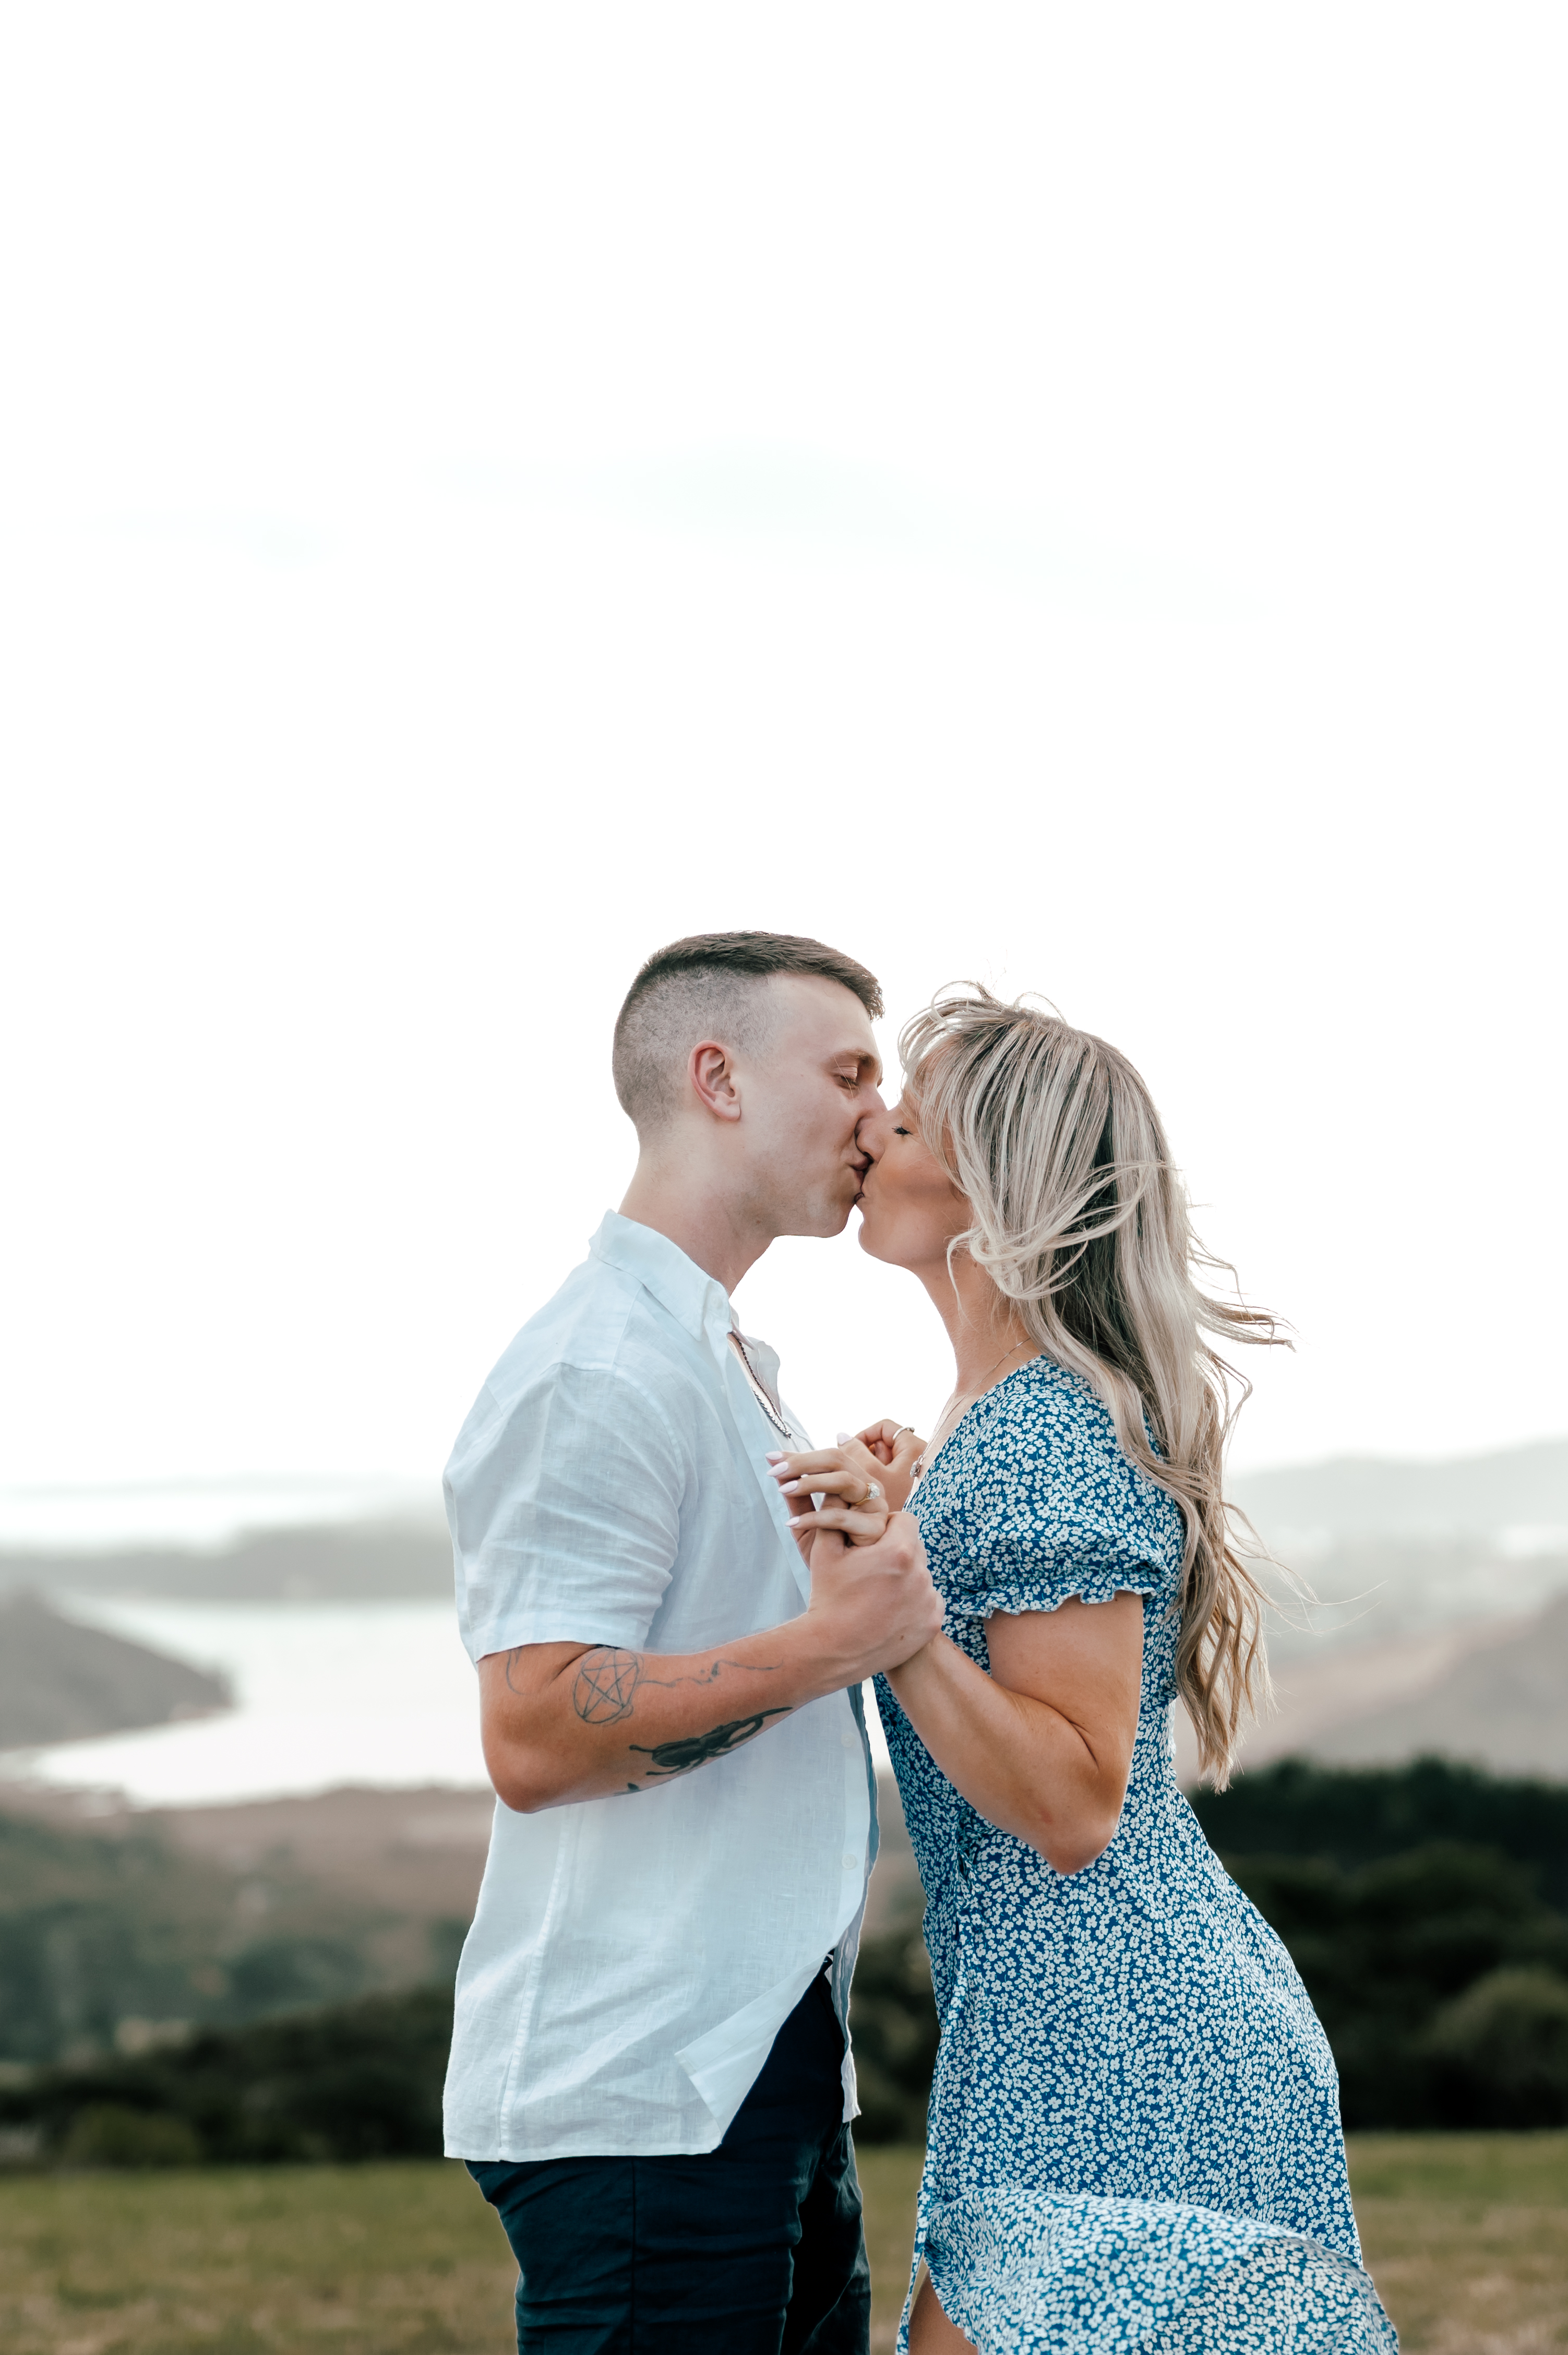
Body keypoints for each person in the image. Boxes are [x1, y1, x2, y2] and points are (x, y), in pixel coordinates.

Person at [771, 989, 1393, 2355]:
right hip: (1058, 2037)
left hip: (1134, 2044)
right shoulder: (999, 1418)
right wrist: (909, 1523)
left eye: (909, 1114)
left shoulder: (1049, 1426)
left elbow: (1072, 1803)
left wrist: (900, 1604)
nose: (871, 1130)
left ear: (995, 1184)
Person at [444, 931, 948, 2355]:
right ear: (715, 1079)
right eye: (847, 1071)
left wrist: (857, 1503)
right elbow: (537, 1733)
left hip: (754, 2068)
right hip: (642, 2096)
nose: (878, 1113)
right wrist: (829, 1644)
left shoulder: (720, 1361)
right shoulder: (595, 1369)